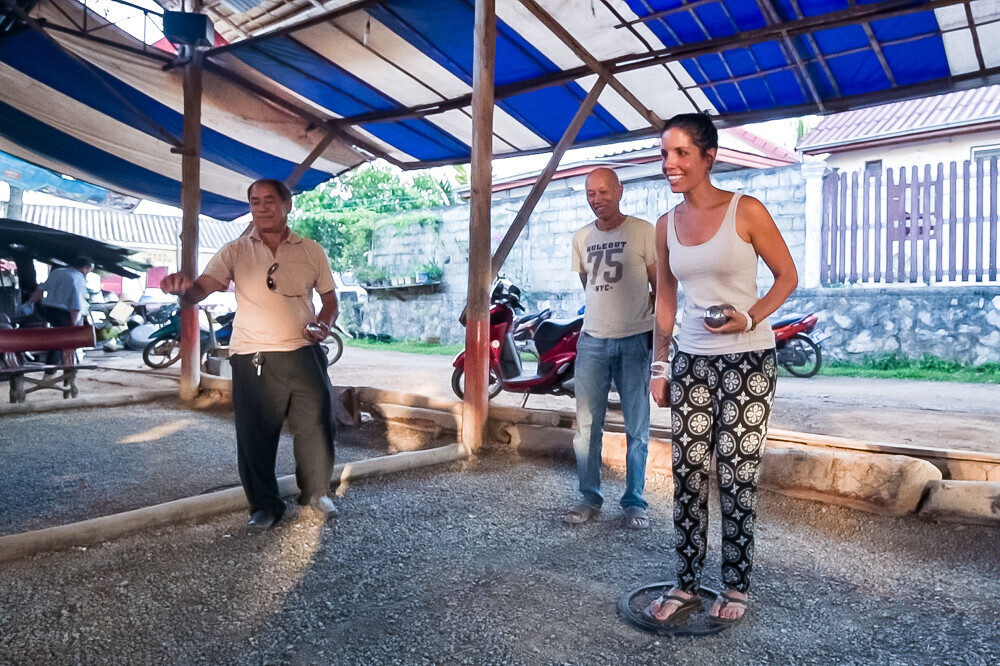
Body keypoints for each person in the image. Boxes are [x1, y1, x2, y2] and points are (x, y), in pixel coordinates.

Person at [644, 113, 797, 626]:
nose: (670, 163)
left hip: (750, 358)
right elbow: (666, 298)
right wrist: (659, 364)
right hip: (690, 360)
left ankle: (736, 583)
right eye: (666, 153)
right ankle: (686, 583)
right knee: (687, 472)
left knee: (736, 473)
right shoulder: (667, 225)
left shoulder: (746, 210)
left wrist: (750, 316)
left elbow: (787, 276)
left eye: (682, 153)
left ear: (709, 156)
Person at [161, 178, 340, 533]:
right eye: (255, 201)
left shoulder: (311, 249)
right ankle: (263, 506)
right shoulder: (235, 250)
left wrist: (323, 325)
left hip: (304, 351)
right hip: (253, 355)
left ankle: (316, 493)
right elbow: (200, 290)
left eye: (269, 200)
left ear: (287, 205)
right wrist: (183, 288)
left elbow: (330, 300)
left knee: (317, 427)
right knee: (255, 434)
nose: (262, 207)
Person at [563, 167, 657, 530]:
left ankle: (634, 501)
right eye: (590, 193)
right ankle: (590, 497)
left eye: (603, 191)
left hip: (635, 339)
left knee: (637, 425)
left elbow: (659, 284)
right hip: (592, 342)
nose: (597, 199)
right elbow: (590, 284)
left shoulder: (643, 231)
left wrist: (657, 334)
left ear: (619, 191)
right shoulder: (581, 238)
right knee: (587, 426)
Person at [28, 256, 93, 368]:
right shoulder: (78, 279)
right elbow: (76, 305)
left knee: (59, 339)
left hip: (47, 311)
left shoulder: (57, 272)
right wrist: (74, 325)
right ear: (85, 268)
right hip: (62, 314)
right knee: (63, 340)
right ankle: (52, 372)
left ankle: (62, 370)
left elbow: (40, 289)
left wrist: (30, 303)